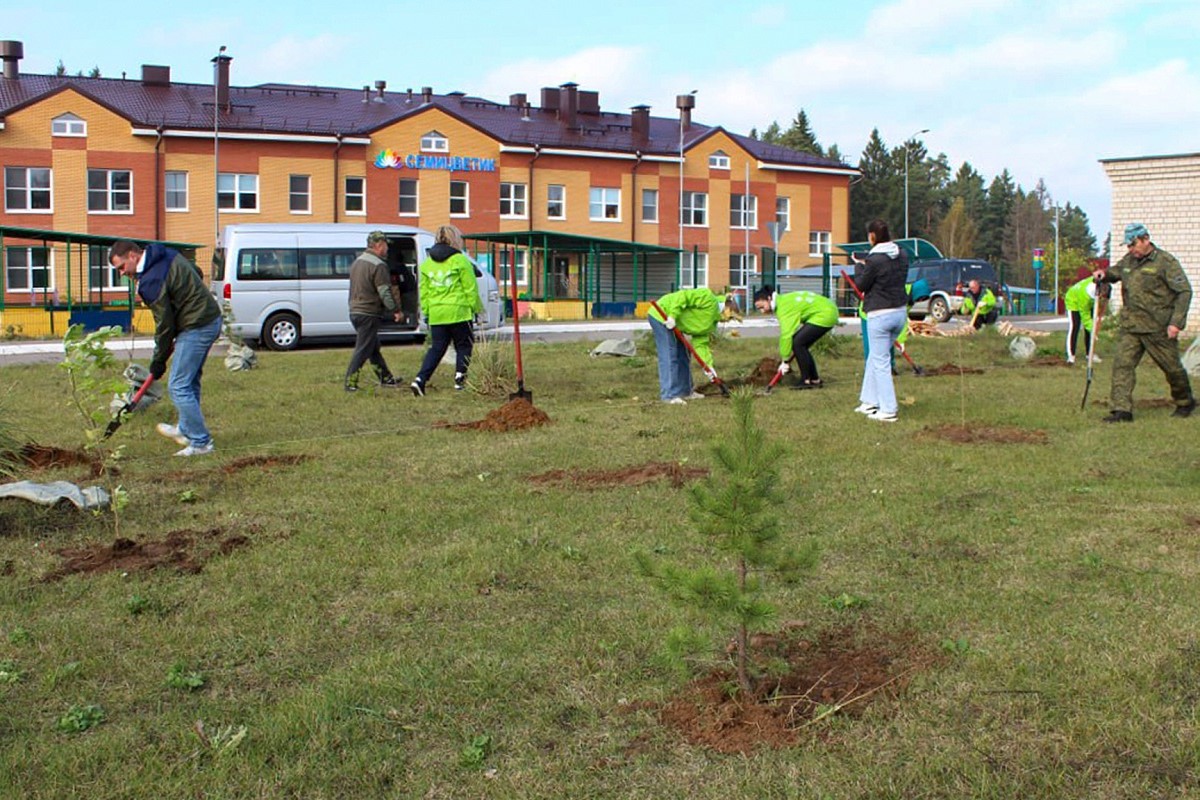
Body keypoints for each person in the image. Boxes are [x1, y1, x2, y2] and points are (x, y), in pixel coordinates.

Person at [109, 239, 222, 456]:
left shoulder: (151, 281)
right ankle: (187, 429)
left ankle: (201, 443)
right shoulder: (165, 254)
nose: (122, 273)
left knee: (178, 385)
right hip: (207, 318)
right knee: (189, 381)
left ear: (133, 256)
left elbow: (164, 324)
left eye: (122, 267)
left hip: (198, 325)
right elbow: (195, 271)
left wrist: (158, 360)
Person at [1095, 222, 1194, 422]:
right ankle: (1121, 410)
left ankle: (1185, 402)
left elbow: (1184, 292)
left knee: (1172, 368)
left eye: (1133, 244)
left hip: (1158, 328)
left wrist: (1176, 323)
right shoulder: (1129, 261)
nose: (1131, 249)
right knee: (1122, 365)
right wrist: (1104, 275)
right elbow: (1116, 272)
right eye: (1128, 246)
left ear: (1145, 239)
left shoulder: (1165, 262)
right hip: (1132, 326)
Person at [410, 225, 483, 397]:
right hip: (459, 311)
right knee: (464, 345)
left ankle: (420, 379)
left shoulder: (427, 264)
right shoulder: (461, 260)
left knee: (437, 348)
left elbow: (424, 292)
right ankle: (460, 379)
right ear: (455, 240)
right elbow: (470, 288)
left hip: (437, 312)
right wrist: (476, 309)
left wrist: (427, 312)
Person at [852, 219, 908, 422]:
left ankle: (888, 409)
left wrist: (859, 267)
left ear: (872, 236)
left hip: (880, 314)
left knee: (880, 362)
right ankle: (869, 401)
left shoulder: (874, 259)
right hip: (899, 312)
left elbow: (861, 284)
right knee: (875, 358)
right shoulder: (901, 254)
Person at [647, 288, 738, 404]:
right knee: (670, 354)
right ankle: (669, 395)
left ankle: (685, 392)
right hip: (661, 314)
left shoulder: (710, 324)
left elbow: (701, 344)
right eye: (730, 316)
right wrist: (672, 316)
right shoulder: (707, 297)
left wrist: (708, 366)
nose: (729, 320)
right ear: (726, 308)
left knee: (684, 354)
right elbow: (682, 297)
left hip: (675, 324)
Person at [345, 231, 404, 392]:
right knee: (363, 348)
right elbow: (385, 292)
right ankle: (350, 382)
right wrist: (395, 310)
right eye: (385, 245)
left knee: (372, 347)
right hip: (368, 312)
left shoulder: (357, 262)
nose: (387, 249)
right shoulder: (378, 265)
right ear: (378, 245)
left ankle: (386, 378)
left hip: (355, 311)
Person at [753, 285, 838, 389]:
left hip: (825, 314)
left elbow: (786, 335)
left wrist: (785, 360)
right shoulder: (784, 300)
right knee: (801, 344)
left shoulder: (784, 307)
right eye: (759, 309)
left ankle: (805, 380)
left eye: (762, 307)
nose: (762, 311)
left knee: (798, 343)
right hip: (827, 310)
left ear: (769, 299)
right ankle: (814, 380)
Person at [1063, 276, 1103, 365]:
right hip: (1073, 301)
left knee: (1090, 327)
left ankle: (1090, 354)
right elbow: (1085, 319)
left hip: (1089, 301)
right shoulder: (1085, 298)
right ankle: (1071, 357)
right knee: (1075, 326)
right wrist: (1093, 330)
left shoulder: (1098, 280)